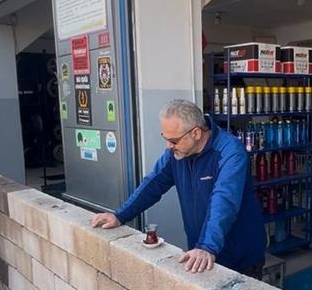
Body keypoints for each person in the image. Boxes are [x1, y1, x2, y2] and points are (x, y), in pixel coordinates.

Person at [90, 99, 266, 278]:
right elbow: (153, 183)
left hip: (239, 256)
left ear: (196, 133)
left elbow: (224, 200)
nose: (169, 146)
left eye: (173, 141)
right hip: (201, 251)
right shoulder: (176, 153)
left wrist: (207, 246)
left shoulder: (230, 152)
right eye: (165, 138)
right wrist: (120, 215)